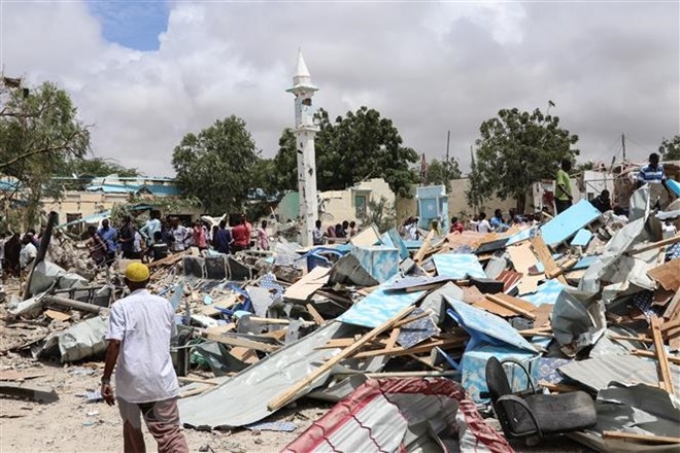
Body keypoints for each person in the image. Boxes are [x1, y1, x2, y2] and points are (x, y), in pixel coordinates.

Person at [101, 263, 188, 453]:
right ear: (148, 281)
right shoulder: (164, 304)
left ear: (126, 282)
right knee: (170, 434)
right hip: (161, 379)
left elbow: (114, 344)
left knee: (132, 428)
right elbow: (171, 335)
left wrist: (105, 380)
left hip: (131, 382)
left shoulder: (120, 307)